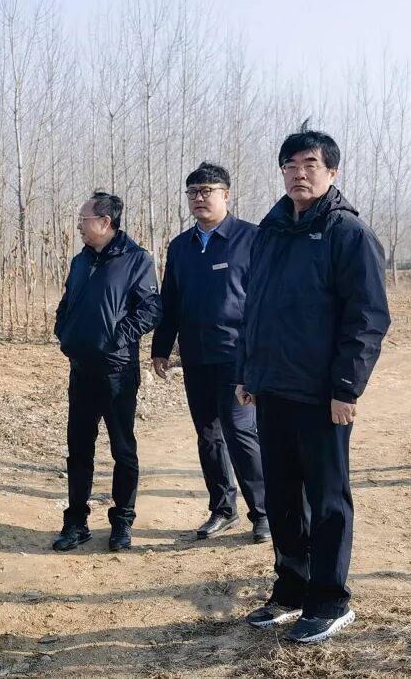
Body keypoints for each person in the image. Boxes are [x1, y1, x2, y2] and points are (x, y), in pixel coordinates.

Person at [236, 125, 390, 644]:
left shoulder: (348, 233)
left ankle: (329, 600)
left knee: (326, 500)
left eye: (310, 165)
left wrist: (346, 388)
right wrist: (247, 373)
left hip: (323, 395)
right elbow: (253, 308)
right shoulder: (271, 231)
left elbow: (367, 317)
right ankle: (291, 589)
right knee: (281, 497)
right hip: (272, 389)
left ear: (332, 172)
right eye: (290, 166)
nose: (298, 175)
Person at [151, 163, 269, 543]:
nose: (199, 198)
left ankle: (264, 512)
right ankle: (223, 508)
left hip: (237, 356)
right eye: (193, 192)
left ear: (226, 194)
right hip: (196, 356)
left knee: (240, 432)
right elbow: (171, 301)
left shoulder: (251, 238)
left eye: (207, 191)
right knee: (208, 435)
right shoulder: (180, 247)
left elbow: (264, 300)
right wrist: (161, 348)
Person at [52, 191, 161, 553]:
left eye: (83, 220)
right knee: (78, 450)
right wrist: (64, 331)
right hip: (81, 370)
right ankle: (76, 522)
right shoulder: (80, 261)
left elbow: (150, 310)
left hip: (118, 372)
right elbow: (66, 302)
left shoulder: (136, 259)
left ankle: (122, 521)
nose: (79, 226)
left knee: (122, 449)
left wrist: (116, 337)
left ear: (104, 222)